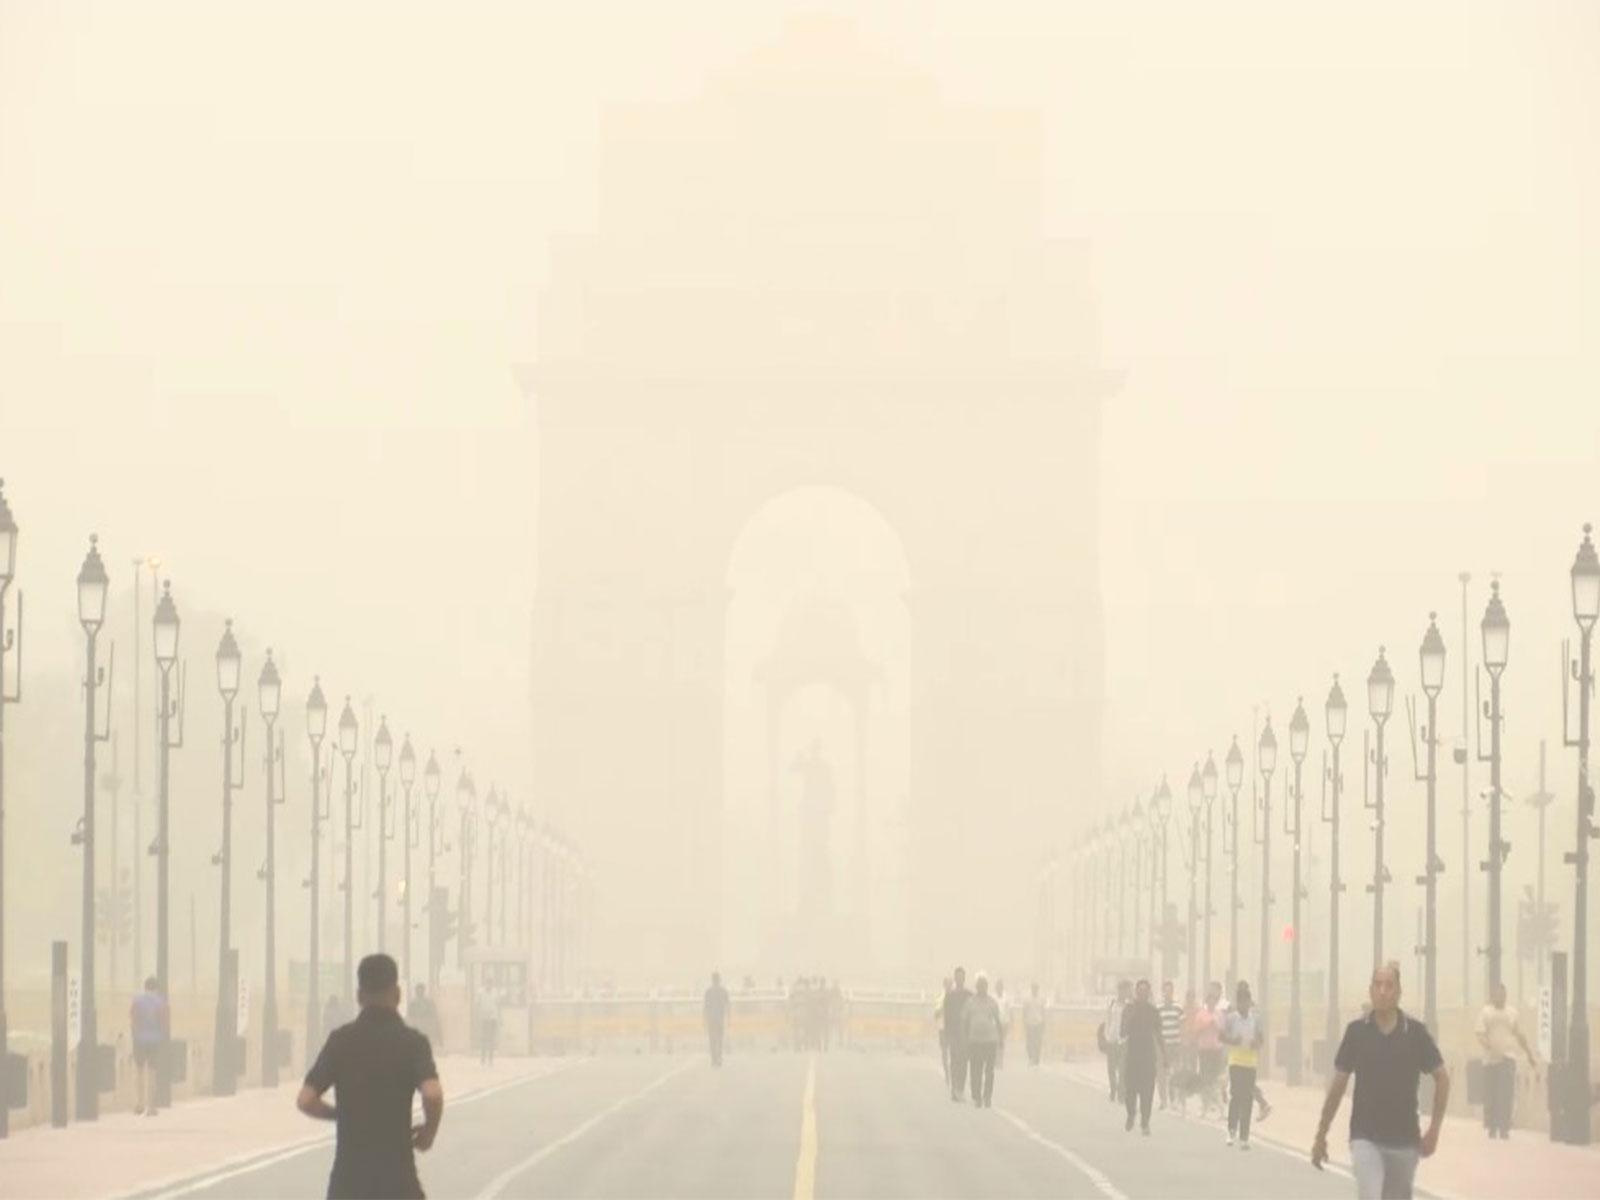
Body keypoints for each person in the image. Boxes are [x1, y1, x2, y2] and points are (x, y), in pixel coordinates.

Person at [298, 954, 444, 1200]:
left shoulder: (340, 1041)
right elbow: (432, 1094)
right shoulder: (413, 1043)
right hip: (398, 1181)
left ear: (359, 996)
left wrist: (341, 1114)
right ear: (397, 994)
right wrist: (428, 1132)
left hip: (348, 1183)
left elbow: (305, 1100)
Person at [1313, 962, 1450, 1200]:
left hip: (1405, 1142)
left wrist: (1435, 1129)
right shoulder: (1357, 1032)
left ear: (1399, 992)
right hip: (1365, 1137)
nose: (1383, 991)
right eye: (1378, 985)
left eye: (1389, 985)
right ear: (1370, 990)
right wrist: (1321, 1134)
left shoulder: (1415, 1033)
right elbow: (1338, 1087)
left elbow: (1443, 1078)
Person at [1475, 981, 1535, 1138]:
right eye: (1497, 994)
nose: (1499, 997)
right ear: (1493, 996)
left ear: (1505, 995)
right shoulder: (1486, 1013)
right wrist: (1489, 1046)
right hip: (1490, 1060)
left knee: (1506, 1095)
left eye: (1502, 994)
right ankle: (1492, 1126)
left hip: (1508, 1058)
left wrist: (1529, 1053)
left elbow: (1518, 1033)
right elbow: (1480, 1034)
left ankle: (1504, 1128)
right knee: (1492, 1095)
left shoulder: (1512, 1012)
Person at [1220, 980, 1264, 1148]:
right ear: (1237, 1003)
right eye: (1241, 1002)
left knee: (1247, 1099)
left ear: (1249, 1003)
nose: (1244, 1006)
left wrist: (1256, 1044)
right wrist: (1233, 1040)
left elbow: (1261, 1038)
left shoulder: (1256, 1020)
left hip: (1250, 1062)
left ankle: (1244, 1137)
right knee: (1236, 1096)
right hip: (1236, 1061)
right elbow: (1221, 1036)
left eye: (1246, 1003)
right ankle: (1231, 1130)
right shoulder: (1231, 1019)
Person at [1120, 979, 1167, 1135]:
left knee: (1147, 1092)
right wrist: (1130, 1016)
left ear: (1149, 993)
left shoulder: (1153, 1011)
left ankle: (1145, 1122)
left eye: (1145, 991)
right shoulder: (1129, 1009)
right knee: (1130, 1091)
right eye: (1140, 991)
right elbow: (1123, 1032)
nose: (1142, 994)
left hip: (1148, 1056)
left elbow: (1159, 1035)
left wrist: (1164, 1055)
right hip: (1133, 1056)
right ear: (1136, 992)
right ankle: (1131, 1114)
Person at [129, 976, 168, 1117]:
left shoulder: (137, 1001)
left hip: (139, 1040)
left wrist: (135, 1034)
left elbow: (133, 1019)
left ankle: (139, 1103)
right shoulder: (160, 1002)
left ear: (145, 987)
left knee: (139, 1072)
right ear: (156, 988)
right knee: (152, 1073)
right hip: (155, 1040)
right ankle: (151, 1107)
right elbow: (164, 1022)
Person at [963, 974, 1004, 1108]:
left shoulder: (992, 1002)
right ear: (976, 987)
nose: (981, 988)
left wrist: (1001, 1038)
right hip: (974, 1041)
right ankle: (977, 1096)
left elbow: (998, 1021)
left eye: (984, 986)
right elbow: (965, 1021)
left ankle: (987, 1096)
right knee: (976, 1070)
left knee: (989, 1071)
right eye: (979, 986)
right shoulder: (970, 1002)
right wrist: (964, 1038)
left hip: (990, 1041)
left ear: (986, 988)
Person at [944, 966, 972, 1101]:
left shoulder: (969, 995)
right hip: (954, 1033)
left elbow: (972, 1015)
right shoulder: (950, 996)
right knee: (954, 1060)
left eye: (962, 977)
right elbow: (946, 1016)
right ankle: (955, 1088)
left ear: (964, 978)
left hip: (966, 1034)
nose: (960, 979)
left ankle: (960, 1088)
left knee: (963, 1061)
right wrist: (946, 1035)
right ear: (955, 978)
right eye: (958, 977)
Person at [1155, 980, 1183, 1110]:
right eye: (1165, 991)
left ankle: (1174, 1100)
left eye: (1169, 991)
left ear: (1172, 992)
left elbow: (1183, 1026)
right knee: (1161, 1074)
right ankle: (1163, 1100)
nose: (1167, 994)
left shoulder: (1178, 1007)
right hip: (1162, 1047)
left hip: (1175, 1045)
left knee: (1175, 1074)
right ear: (1162, 992)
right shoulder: (1158, 1008)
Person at [1103, 979, 1131, 1103]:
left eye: (1126, 990)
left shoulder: (1129, 1006)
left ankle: (1121, 1093)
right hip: (1112, 1039)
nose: (1124, 993)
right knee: (1111, 1068)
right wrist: (1107, 1035)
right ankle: (1113, 1089)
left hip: (1123, 1040)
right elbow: (1107, 1020)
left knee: (1123, 1068)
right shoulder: (1112, 1004)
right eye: (1122, 990)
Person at [704, 971, 730, 1067]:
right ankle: (718, 1059)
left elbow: (705, 1007)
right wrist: (729, 1018)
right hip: (720, 1019)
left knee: (712, 1040)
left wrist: (704, 1019)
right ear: (719, 980)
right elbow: (728, 1005)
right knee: (719, 1040)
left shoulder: (708, 992)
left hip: (711, 1019)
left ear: (712, 980)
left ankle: (714, 1059)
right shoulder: (723, 991)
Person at [475, 981, 501, 1066]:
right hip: (484, 1018)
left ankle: (490, 1058)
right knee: (483, 1038)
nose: (489, 986)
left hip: (493, 1017)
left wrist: (500, 1017)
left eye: (490, 984)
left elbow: (498, 1004)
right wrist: (478, 1015)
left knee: (491, 1039)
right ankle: (483, 1058)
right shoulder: (480, 992)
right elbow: (477, 1004)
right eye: (488, 984)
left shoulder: (495, 992)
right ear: (486, 984)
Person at [1023, 982, 1047, 1067]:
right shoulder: (1027, 999)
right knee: (1029, 1042)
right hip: (1029, 1023)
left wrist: (1044, 1022)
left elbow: (1043, 1011)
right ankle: (1030, 1057)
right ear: (1031, 989)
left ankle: (1037, 1058)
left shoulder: (1041, 999)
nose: (1035, 991)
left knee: (1038, 1042)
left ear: (1038, 990)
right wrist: (1024, 1021)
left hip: (1038, 1023)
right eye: (1033, 989)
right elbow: (1024, 1011)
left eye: (1036, 989)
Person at [935, 978, 952, 1083]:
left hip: (954, 1028)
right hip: (943, 1028)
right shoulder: (941, 998)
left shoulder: (956, 996)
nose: (948, 986)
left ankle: (953, 1072)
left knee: (954, 1053)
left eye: (950, 984)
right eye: (947, 985)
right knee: (944, 1052)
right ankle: (947, 1073)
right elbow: (936, 1013)